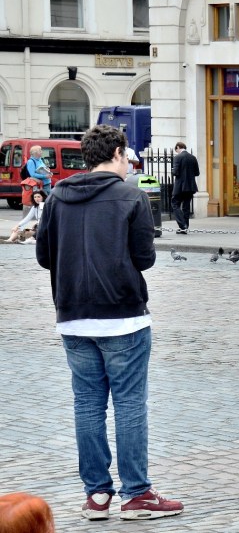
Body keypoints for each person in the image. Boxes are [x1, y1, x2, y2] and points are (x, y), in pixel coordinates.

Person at [35, 124, 184, 521]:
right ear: (117, 153)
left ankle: (97, 495)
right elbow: (145, 258)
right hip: (122, 316)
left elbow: (44, 256)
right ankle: (136, 494)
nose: (129, 163)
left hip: (73, 315)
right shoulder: (131, 196)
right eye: (127, 156)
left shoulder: (57, 196)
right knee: (129, 405)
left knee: (87, 405)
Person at [171, 141, 199, 235]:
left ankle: (182, 225)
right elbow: (197, 173)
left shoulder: (177, 157)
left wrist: (172, 170)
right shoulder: (193, 157)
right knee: (186, 206)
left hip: (180, 186)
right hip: (190, 185)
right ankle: (185, 227)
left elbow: (175, 172)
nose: (177, 152)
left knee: (175, 204)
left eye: (176, 150)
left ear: (178, 147)